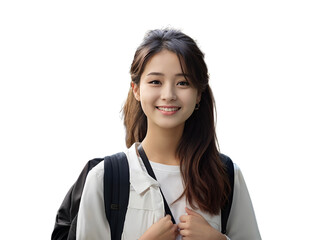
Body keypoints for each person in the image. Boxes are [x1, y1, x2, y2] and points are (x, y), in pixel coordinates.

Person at [76, 29, 261, 240]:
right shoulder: (104, 178)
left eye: (183, 83)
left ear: (199, 94)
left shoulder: (226, 175)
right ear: (136, 89)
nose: (169, 95)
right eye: (155, 82)